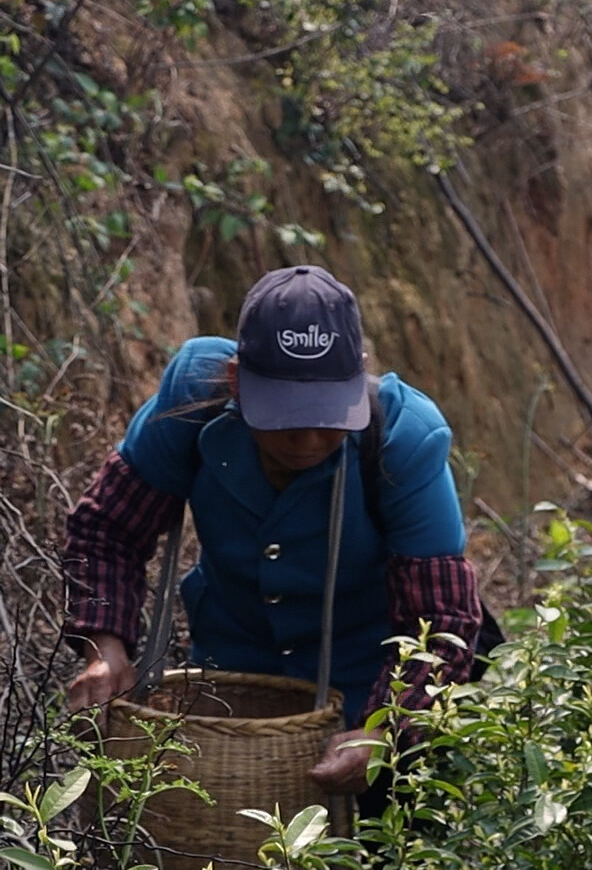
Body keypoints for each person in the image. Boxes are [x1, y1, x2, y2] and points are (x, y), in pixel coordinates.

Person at [63, 265, 484, 808]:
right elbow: (108, 529)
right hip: (229, 689)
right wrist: (105, 648)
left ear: (358, 377)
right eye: (285, 418)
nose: (308, 440)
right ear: (238, 381)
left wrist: (388, 731)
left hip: (367, 695)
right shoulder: (194, 401)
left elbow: (443, 620)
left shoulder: (404, 438)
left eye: (328, 417)